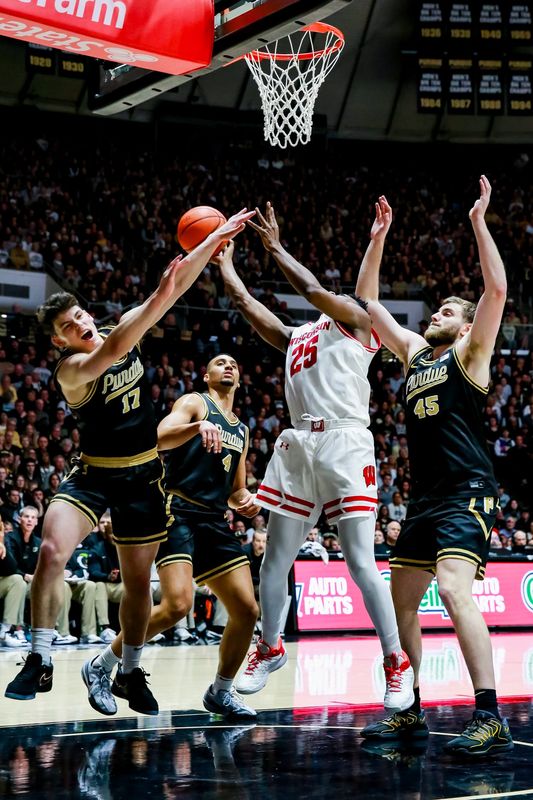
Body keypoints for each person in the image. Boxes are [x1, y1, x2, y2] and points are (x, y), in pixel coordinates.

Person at [4, 208, 255, 711]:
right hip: (94, 474)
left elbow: (177, 287)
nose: (80, 325)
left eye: (80, 316)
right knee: (53, 550)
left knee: (141, 583)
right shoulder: (73, 370)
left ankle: (130, 670)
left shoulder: (118, 325)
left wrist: (213, 242)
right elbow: (128, 335)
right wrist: (160, 294)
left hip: (143, 476)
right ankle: (40, 655)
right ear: (59, 341)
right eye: (68, 326)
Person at [219, 203, 414, 712]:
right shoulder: (297, 336)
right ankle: (271, 646)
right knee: (274, 559)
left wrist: (277, 247)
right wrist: (224, 266)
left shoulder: (358, 321)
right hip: (298, 444)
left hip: (346, 443)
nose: (339, 297)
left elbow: (313, 290)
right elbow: (243, 302)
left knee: (359, 560)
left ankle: (396, 662)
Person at [356, 177, 513, 755]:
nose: (437, 311)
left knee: (453, 589)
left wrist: (478, 224)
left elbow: (495, 291)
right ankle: (409, 710)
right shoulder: (415, 354)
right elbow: (367, 304)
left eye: (449, 309)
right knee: (401, 606)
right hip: (424, 498)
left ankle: (489, 712)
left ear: (467, 326)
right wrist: (378, 239)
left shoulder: (472, 354)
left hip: (467, 491)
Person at [81, 353, 260, 720]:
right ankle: (102, 664)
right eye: (220, 362)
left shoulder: (241, 430)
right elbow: (157, 438)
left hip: (214, 519)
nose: (229, 366)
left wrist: (250, 501)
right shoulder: (195, 402)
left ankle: (220, 691)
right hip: (177, 511)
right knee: (178, 604)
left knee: (246, 610)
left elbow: (236, 491)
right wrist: (196, 428)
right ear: (206, 374)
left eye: (234, 364)